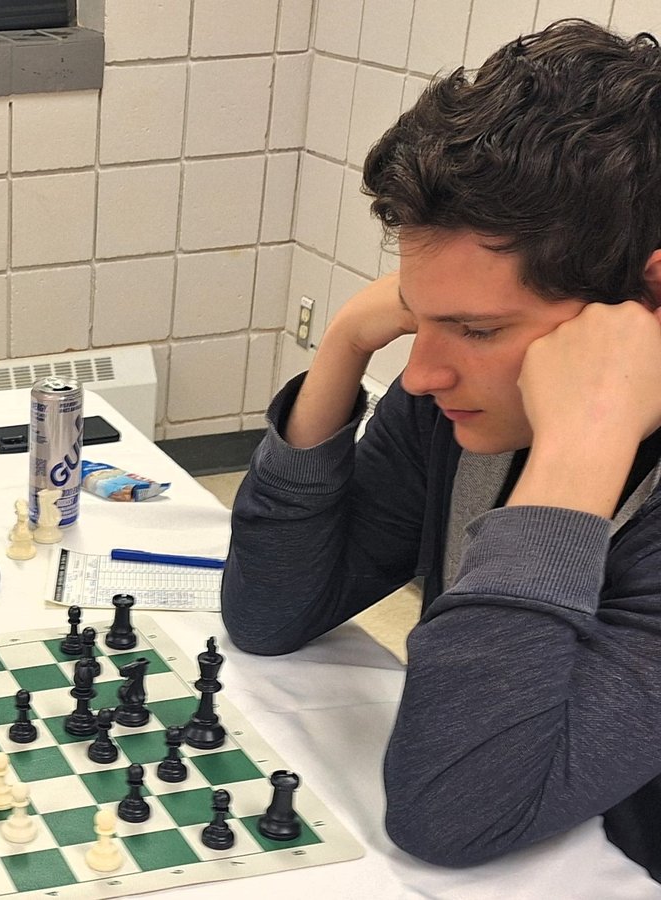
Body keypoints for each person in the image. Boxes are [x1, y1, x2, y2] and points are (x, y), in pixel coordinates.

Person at [223, 19, 661, 880]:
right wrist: (343, 345)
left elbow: (454, 811)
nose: (421, 374)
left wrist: (581, 447)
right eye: (416, 315)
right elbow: (271, 614)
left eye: (479, 329)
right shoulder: (465, 404)